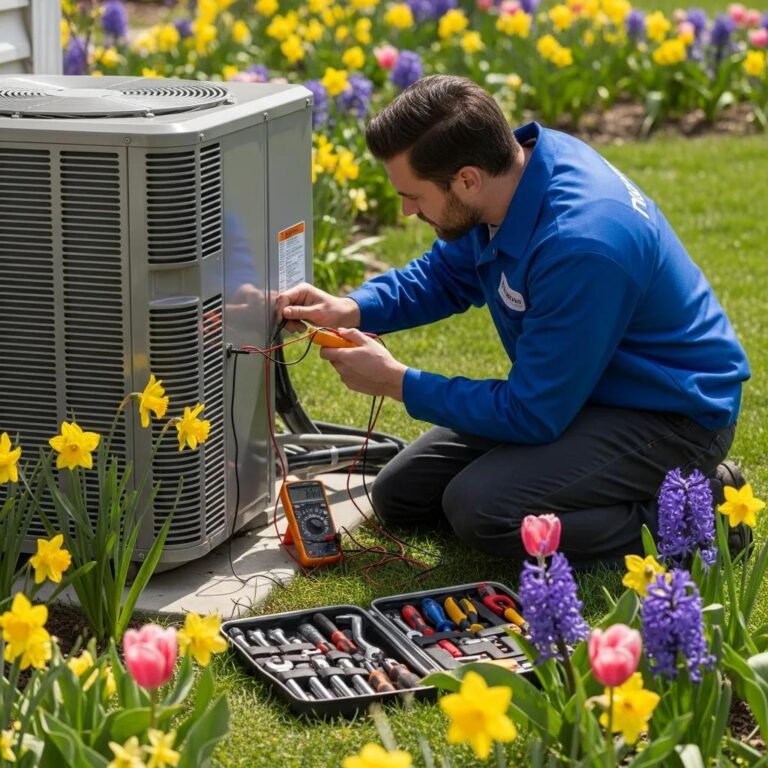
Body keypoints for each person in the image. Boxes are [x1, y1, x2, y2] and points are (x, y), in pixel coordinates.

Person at [275, 75, 751, 566]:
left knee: (482, 509)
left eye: (413, 196)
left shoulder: (580, 244)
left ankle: (697, 519)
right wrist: (352, 308)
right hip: (585, 391)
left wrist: (399, 383)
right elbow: (446, 274)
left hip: (671, 413)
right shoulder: (516, 175)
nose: (405, 209)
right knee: (402, 493)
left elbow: (533, 413)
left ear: (466, 179)